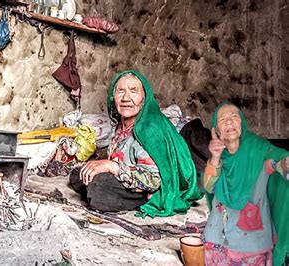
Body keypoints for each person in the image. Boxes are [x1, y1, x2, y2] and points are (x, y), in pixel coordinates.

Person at [69, 70, 201, 217]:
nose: (126, 98)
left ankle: (130, 199)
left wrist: (113, 167)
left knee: (99, 187)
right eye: (120, 91)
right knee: (78, 174)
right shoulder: (121, 125)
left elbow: (154, 181)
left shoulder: (149, 130)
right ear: (113, 97)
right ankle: (100, 190)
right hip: (126, 176)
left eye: (133, 91)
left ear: (144, 99)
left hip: (151, 185)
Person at [202, 102, 289, 266]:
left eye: (234, 117)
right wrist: (215, 157)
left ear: (242, 123)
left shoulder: (258, 149)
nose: (229, 122)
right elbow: (209, 187)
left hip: (252, 245)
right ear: (217, 130)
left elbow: (280, 162)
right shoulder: (218, 159)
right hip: (217, 240)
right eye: (222, 119)